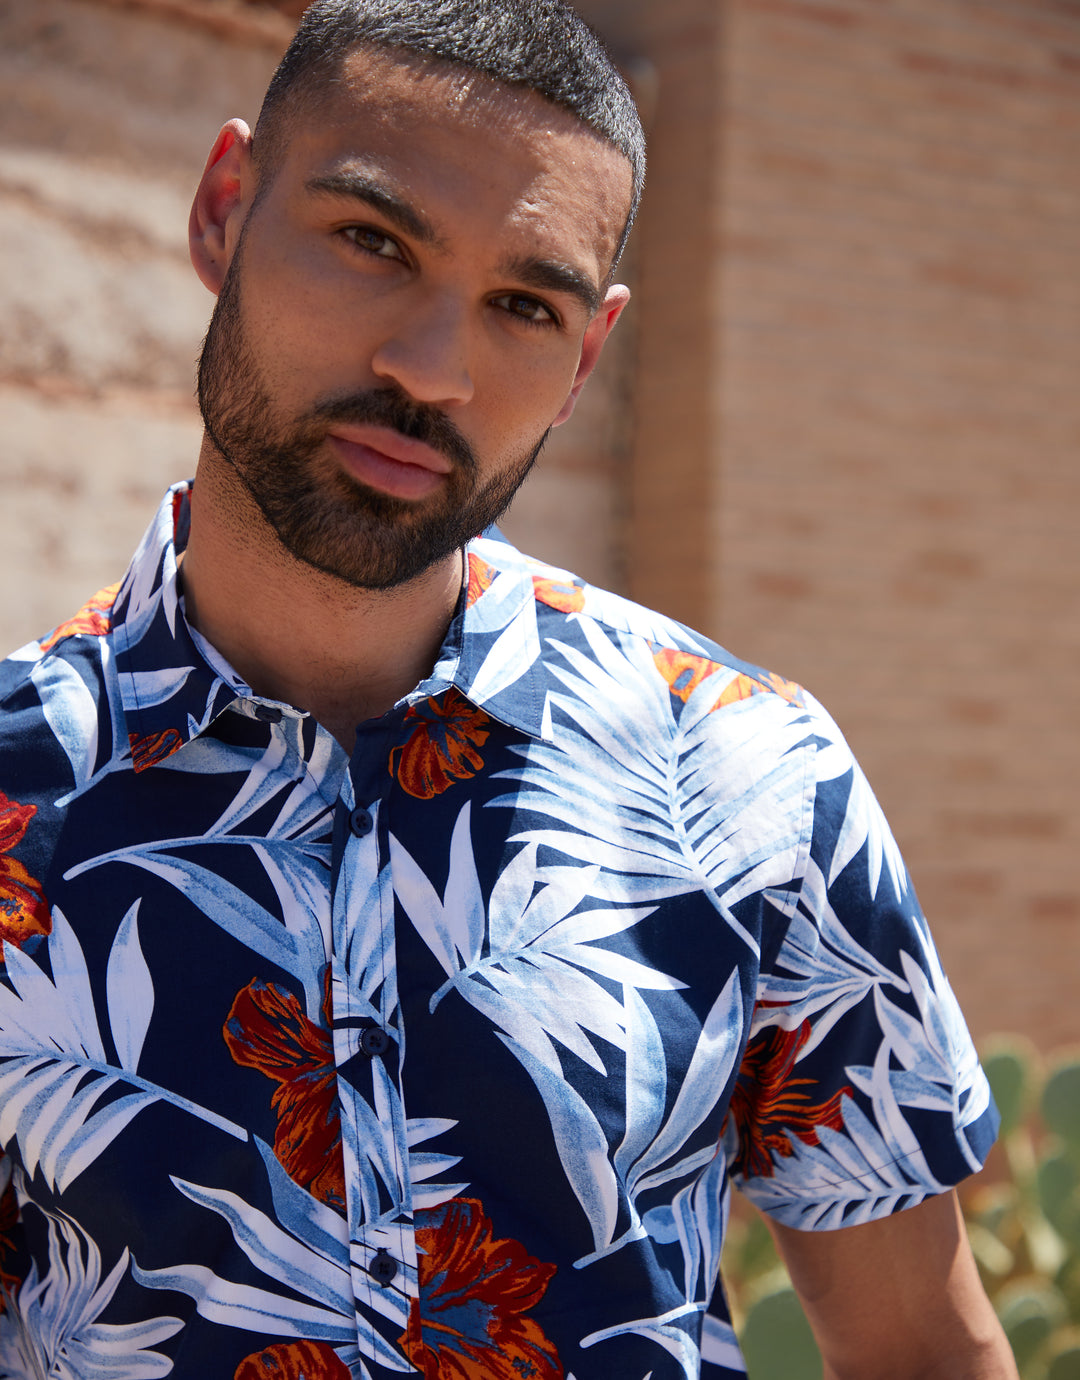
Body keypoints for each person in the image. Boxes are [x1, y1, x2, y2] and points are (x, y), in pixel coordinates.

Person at [0, 1, 1017, 1376]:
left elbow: (919, 1349)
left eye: (523, 305)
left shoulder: (748, 776)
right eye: (372, 241)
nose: (432, 368)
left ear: (584, 359)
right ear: (223, 212)